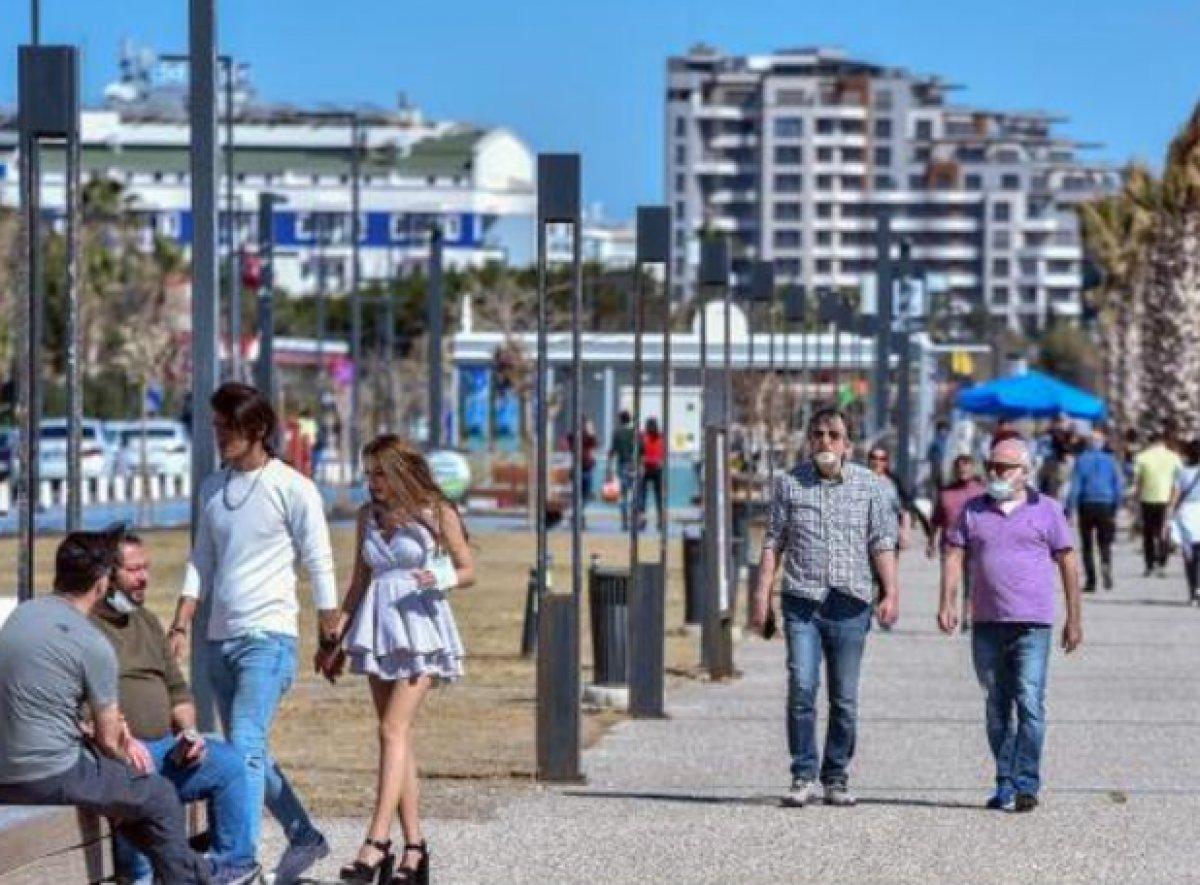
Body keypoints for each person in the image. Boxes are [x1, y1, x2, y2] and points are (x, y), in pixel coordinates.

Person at [168, 381, 336, 885]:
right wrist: (182, 620)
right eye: (215, 426)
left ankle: (237, 860)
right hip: (220, 640)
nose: (219, 436)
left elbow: (319, 558)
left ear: (257, 429)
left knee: (243, 744)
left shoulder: (293, 487)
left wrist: (330, 632)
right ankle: (303, 836)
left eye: (227, 427)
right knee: (248, 750)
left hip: (270, 638)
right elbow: (202, 560)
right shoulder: (213, 489)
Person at [0, 532, 210, 884]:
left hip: (6, 769)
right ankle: (189, 877)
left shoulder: (23, 616)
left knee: (131, 802)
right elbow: (110, 742)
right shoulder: (92, 643)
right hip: (51, 774)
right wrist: (126, 748)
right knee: (157, 795)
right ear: (101, 583)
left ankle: (197, 875)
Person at [317, 435, 474, 884]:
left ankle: (376, 841)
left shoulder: (437, 512)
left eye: (379, 473)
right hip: (378, 630)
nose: (373, 483)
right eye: (368, 474)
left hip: (422, 628)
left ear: (401, 472)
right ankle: (416, 850)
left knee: (392, 729)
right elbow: (358, 582)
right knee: (395, 739)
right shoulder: (368, 515)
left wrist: (438, 575)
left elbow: (467, 569)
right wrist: (336, 636)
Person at [750, 407, 900, 808]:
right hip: (802, 602)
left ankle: (835, 775)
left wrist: (891, 592)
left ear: (848, 444)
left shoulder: (871, 487)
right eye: (818, 435)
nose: (826, 442)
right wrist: (762, 596)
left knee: (844, 697)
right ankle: (802, 773)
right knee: (802, 686)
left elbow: (882, 542)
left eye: (834, 435)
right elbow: (773, 541)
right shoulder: (789, 484)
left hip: (850, 604)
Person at [92, 532, 259, 885]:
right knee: (136, 779)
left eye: (147, 569)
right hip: (120, 752)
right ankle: (141, 876)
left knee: (229, 765)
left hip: (168, 748)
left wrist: (188, 732)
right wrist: (122, 741)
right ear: (107, 575)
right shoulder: (89, 627)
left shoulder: (148, 622)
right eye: (134, 570)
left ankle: (230, 869)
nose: (144, 579)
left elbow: (177, 691)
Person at [937, 437, 1083, 813]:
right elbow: (954, 555)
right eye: (994, 467)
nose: (998, 474)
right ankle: (1005, 781)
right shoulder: (973, 510)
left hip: (1033, 624)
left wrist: (1074, 618)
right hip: (987, 622)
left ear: (1026, 472)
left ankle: (1026, 783)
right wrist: (946, 602)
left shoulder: (1047, 510)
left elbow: (1068, 562)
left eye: (1007, 468)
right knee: (997, 706)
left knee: (1030, 703)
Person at [927, 454, 986, 631]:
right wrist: (931, 542)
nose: (963, 471)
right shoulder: (945, 493)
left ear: (973, 469)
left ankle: (968, 616)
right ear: (955, 470)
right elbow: (936, 520)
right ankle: (949, 613)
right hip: (950, 545)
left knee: (972, 582)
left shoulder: (982, 491)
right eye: (960, 467)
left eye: (967, 467)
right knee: (950, 583)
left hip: (974, 544)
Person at [1066, 425, 1124, 593]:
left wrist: (1070, 508)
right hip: (1106, 504)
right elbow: (1118, 485)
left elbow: (1075, 486)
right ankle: (1106, 565)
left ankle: (1091, 580)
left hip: (1087, 504)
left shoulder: (1082, 459)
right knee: (1105, 542)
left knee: (1087, 544)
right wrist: (1117, 506)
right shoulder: (1111, 460)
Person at [1133, 428, 1183, 577]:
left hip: (1147, 498)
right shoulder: (1173, 457)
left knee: (1148, 532)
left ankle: (1149, 564)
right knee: (1164, 531)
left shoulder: (1141, 457)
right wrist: (1175, 497)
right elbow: (1178, 479)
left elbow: (1139, 480)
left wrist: (1136, 498)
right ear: (1163, 442)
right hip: (1166, 498)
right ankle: (1162, 563)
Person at [1166, 439, 1200, 605]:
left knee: (1190, 555)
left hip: (1186, 513)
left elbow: (1175, 495)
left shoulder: (1181, 472)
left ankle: (1193, 590)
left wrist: (1168, 515)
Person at [606, 410, 637, 530]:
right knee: (635, 494)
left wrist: (608, 468)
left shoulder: (617, 432)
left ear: (620, 419)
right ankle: (635, 519)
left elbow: (612, 451)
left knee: (623, 495)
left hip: (622, 465)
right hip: (634, 465)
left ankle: (624, 522)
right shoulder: (635, 432)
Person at [638, 417, 666, 532]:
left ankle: (642, 520)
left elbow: (640, 452)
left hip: (646, 467)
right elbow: (663, 452)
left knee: (643, 496)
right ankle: (660, 521)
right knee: (659, 497)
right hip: (658, 468)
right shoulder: (661, 437)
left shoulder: (643, 437)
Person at [927, 419, 951, 494]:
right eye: (943, 430)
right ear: (939, 430)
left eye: (946, 430)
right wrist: (933, 460)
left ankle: (938, 495)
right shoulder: (936, 440)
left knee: (940, 483)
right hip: (936, 464)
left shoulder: (944, 440)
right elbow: (930, 452)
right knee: (936, 482)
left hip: (941, 463)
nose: (945, 432)